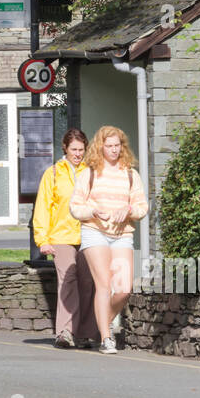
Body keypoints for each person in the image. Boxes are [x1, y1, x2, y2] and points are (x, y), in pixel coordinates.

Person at [69, 126, 149, 354]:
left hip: (122, 234)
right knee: (103, 285)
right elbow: (75, 207)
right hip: (94, 232)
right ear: (100, 147)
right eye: (109, 146)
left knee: (123, 289)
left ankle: (100, 321)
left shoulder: (131, 174)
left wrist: (129, 209)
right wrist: (93, 211)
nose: (114, 150)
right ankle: (106, 337)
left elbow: (143, 207)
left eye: (117, 145)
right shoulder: (90, 173)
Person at [33, 129, 97, 349]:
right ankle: (65, 332)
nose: (78, 154)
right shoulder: (52, 173)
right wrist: (42, 239)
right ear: (65, 148)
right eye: (74, 149)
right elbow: (42, 206)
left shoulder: (91, 172)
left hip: (88, 234)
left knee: (88, 283)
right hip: (61, 235)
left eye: (81, 150)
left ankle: (86, 333)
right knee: (67, 282)